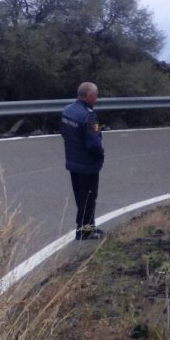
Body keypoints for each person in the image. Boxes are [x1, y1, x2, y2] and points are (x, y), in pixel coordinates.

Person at [61, 82, 105, 240]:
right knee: (88, 198)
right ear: (88, 96)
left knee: (81, 197)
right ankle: (84, 231)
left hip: (73, 161)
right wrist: (101, 155)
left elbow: (64, 134)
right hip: (87, 164)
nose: (97, 98)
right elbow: (94, 143)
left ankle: (88, 226)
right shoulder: (89, 116)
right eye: (96, 95)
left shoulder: (68, 111)